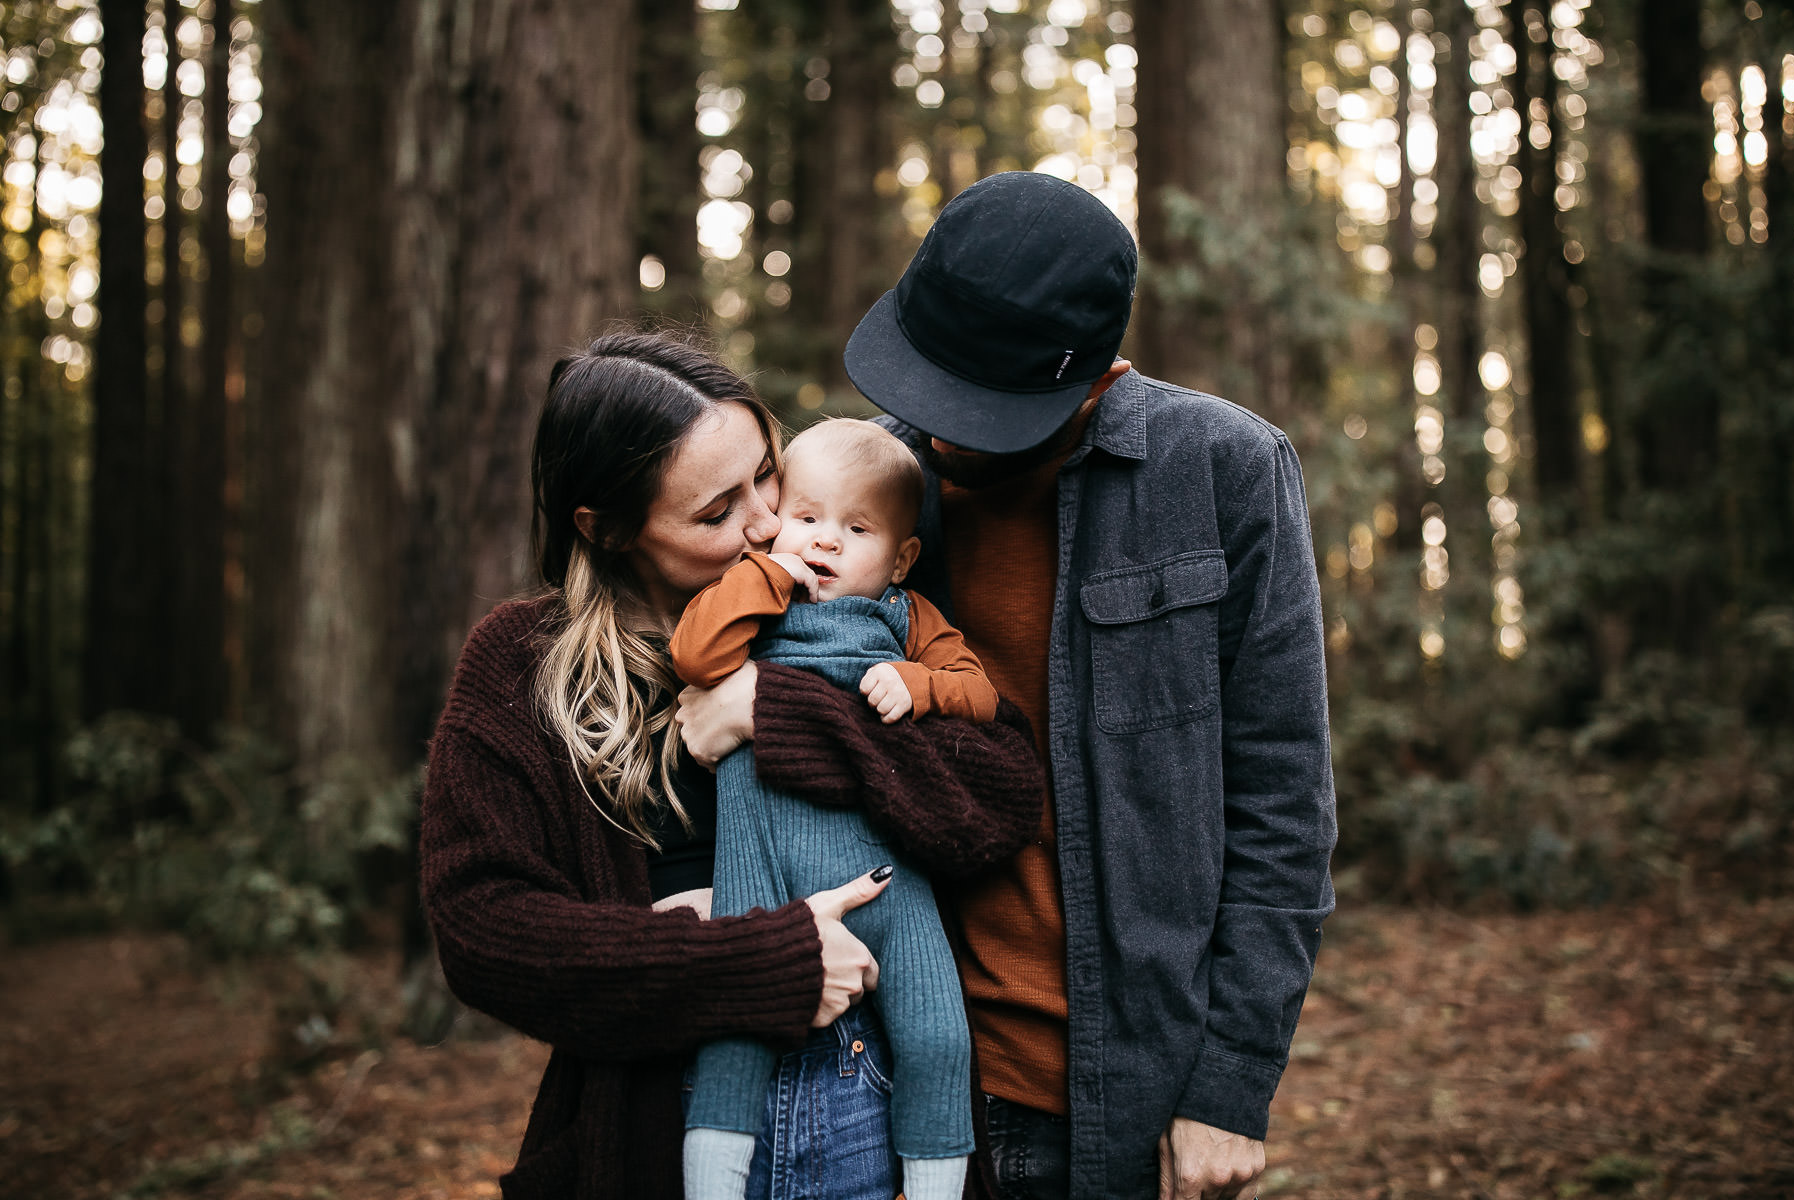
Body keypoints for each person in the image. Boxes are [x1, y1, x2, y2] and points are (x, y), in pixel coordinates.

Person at [678, 172, 1338, 1200]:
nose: (934, 429)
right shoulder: (880, 489)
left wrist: (1230, 1085)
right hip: (885, 1051)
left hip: (1116, 1089)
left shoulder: (1224, 472)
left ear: (1086, 377)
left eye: (972, 403)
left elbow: (1282, 805)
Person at [418, 331, 1045, 1200]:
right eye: (716, 513)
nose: (764, 525)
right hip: (661, 1123)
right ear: (608, 530)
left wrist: (782, 713)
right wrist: (743, 954)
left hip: (871, 1097)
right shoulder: (524, 665)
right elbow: (484, 932)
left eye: (767, 475)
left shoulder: (853, 595)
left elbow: (1000, 798)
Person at [673, 419, 1000, 1200]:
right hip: (761, 865)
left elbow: (981, 694)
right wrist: (764, 574)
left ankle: (934, 1186)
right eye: (807, 516)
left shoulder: (909, 617)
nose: (822, 541)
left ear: (901, 556)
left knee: (937, 1033)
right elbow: (697, 656)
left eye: (856, 529)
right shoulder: (752, 599)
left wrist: (923, 686)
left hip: (888, 875)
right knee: (735, 1039)